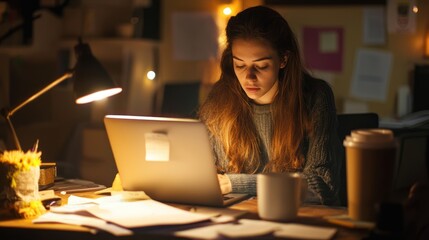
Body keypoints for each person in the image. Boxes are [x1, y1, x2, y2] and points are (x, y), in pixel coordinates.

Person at [198, 5, 342, 205]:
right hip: (236, 220)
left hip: (295, 220)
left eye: (261, 66)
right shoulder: (218, 101)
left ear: (283, 59)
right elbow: (201, 172)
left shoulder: (316, 97)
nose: (249, 77)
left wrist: (236, 183)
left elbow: (322, 186)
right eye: (239, 65)